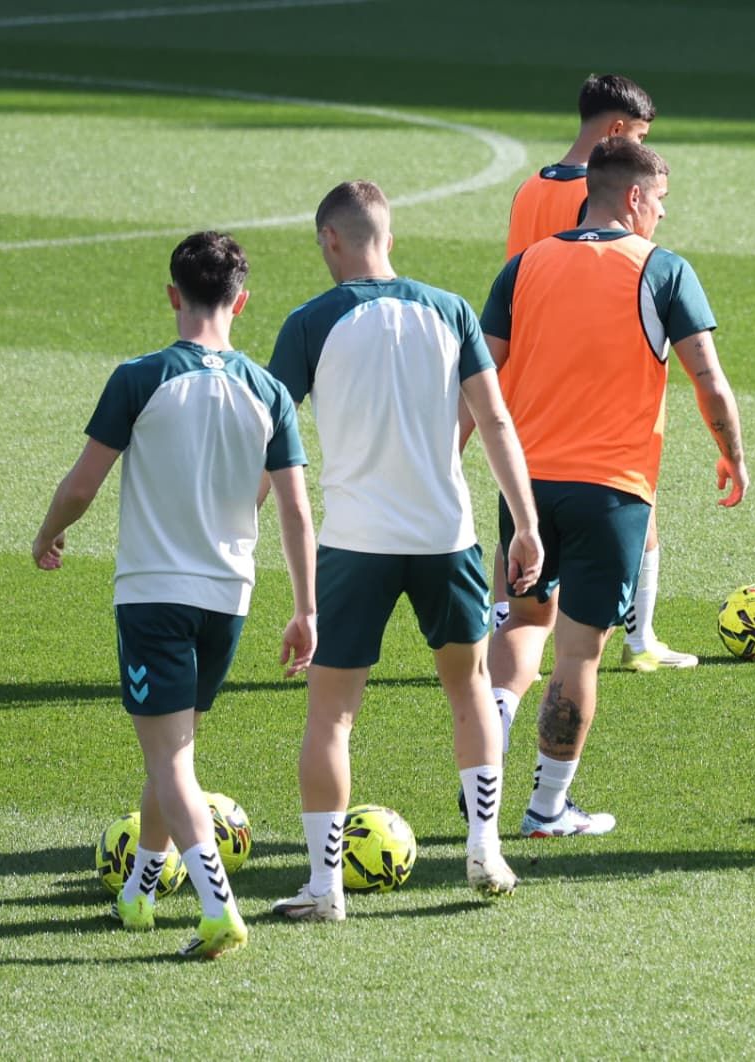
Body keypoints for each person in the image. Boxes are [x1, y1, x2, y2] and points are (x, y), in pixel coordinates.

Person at [32, 231, 317, 958]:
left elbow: (83, 483)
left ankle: (218, 909)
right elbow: (294, 510)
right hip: (231, 597)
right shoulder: (271, 391)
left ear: (172, 295)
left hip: (153, 594)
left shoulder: (140, 376)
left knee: (173, 760)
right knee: (173, 751)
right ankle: (138, 894)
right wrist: (307, 607)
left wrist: (48, 534)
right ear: (242, 302)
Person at [267, 180, 543, 921]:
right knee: (470, 688)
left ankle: (325, 890)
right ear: (387, 235)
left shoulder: (308, 322)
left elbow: (264, 438)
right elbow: (495, 423)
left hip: (355, 543)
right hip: (446, 535)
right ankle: (484, 850)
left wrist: (235, 522)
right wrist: (525, 523)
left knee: (332, 715)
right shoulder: (450, 309)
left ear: (331, 239)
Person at [481, 137, 749, 837]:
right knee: (578, 654)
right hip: (613, 491)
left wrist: (452, 460)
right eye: (660, 200)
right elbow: (709, 381)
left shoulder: (524, 266)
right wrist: (732, 454)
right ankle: (546, 811)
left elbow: (480, 380)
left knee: (522, 622)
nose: (662, 214)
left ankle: (486, 762)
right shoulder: (663, 271)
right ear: (633, 197)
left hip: (526, 488)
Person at [477, 73, 691, 675]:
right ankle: (639, 637)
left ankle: (506, 637)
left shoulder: (527, 189)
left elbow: (515, 282)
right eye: (640, 136)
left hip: (523, 377)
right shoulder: (591, 202)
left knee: (521, 519)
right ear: (617, 132)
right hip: (579, 376)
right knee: (634, 501)